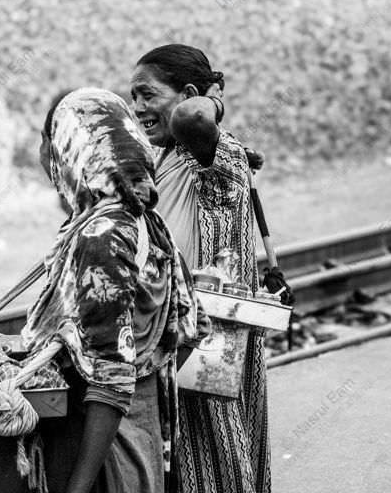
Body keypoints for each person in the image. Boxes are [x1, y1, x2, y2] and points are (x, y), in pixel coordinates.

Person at [25, 88, 210, 492]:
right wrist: (145, 380)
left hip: (101, 455)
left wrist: (78, 485)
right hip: (140, 443)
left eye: (49, 142)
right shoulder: (146, 222)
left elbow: (110, 377)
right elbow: (192, 328)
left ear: (75, 152)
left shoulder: (101, 237)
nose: (44, 158)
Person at [131, 44, 270, 493]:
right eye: (134, 97)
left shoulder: (214, 155)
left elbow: (191, 115)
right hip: (176, 335)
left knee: (213, 457)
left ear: (189, 93)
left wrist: (213, 97)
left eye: (148, 94)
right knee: (184, 458)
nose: (139, 107)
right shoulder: (169, 157)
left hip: (208, 337)